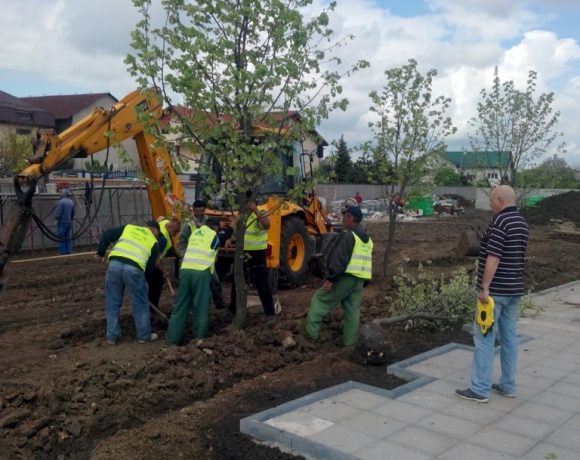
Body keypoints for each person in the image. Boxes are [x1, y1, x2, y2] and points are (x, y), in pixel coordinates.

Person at [456, 185, 529, 403]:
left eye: (491, 200)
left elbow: (493, 256)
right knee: (509, 339)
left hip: (495, 292)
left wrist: (484, 287)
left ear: (500, 199)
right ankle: (508, 385)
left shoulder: (500, 222)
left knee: (484, 338)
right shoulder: (522, 223)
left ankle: (479, 389)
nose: (490, 204)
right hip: (514, 289)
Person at [304, 206, 373, 346]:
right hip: (359, 281)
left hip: (345, 278)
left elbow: (340, 259)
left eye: (345, 216)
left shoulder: (349, 236)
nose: (343, 219)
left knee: (320, 300)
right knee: (352, 311)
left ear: (351, 218)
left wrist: (331, 279)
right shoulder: (368, 240)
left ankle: (310, 337)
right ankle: (349, 343)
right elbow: (367, 261)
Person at [96, 220, 162, 344]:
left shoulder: (129, 228)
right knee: (140, 303)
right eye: (157, 234)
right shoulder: (154, 242)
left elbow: (106, 235)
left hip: (114, 265)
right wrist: (145, 284)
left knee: (112, 302)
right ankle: (143, 335)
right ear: (155, 230)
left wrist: (100, 253)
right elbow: (149, 268)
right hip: (134, 269)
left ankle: (112, 336)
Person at [166, 217, 221, 344]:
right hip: (201, 272)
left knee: (180, 306)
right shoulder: (214, 236)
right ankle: (199, 339)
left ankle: (172, 341)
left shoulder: (195, 233)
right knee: (201, 306)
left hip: (185, 270)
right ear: (216, 227)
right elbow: (214, 256)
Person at [226, 198, 277, 317]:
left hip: (257, 253)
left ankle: (270, 313)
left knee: (261, 283)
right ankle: (232, 309)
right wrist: (229, 239)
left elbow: (267, 225)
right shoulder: (241, 214)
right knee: (237, 280)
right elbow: (236, 229)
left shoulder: (261, 213)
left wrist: (255, 210)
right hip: (242, 252)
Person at [178, 199, 227, 309]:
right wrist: (184, 256)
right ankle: (191, 305)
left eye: (201, 211)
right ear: (193, 210)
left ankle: (219, 302)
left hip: (206, 258)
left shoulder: (208, 221)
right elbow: (181, 242)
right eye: (197, 211)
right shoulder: (188, 224)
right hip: (192, 259)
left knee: (215, 281)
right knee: (191, 284)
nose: (199, 213)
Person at [146, 217, 181, 308]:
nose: (175, 234)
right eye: (175, 231)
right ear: (171, 225)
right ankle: (151, 306)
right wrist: (164, 271)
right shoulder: (163, 240)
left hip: (148, 258)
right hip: (148, 262)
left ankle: (151, 306)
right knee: (156, 283)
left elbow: (160, 219)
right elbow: (155, 259)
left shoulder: (164, 222)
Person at [55, 188, 75, 255]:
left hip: (62, 222)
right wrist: (71, 220)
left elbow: (58, 213)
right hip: (68, 222)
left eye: (61, 192)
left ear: (64, 194)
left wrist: (56, 219)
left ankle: (62, 252)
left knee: (61, 237)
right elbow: (73, 213)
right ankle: (69, 251)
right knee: (68, 237)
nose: (60, 194)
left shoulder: (61, 202)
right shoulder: (71, 202)